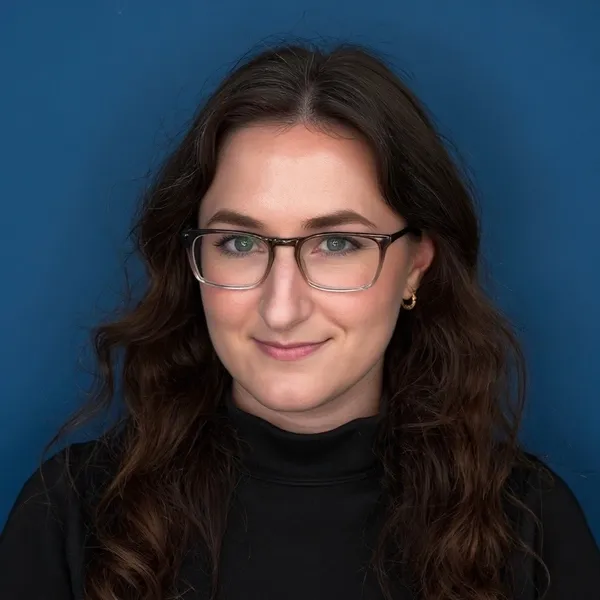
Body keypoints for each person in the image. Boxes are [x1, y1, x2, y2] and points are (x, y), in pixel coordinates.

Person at [0, 42, 599, 600]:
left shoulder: (530, 528)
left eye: (337, 243)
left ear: (416, 266)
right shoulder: (72, 517)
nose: (281, 308)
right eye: (239, 243)